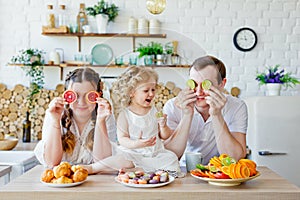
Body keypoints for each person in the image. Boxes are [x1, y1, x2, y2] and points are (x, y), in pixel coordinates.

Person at [83, 66, 180, 174]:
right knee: (121, 159)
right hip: (132, 154)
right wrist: (137, 144)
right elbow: (122, 140)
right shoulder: (125, 114)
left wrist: (163, 126)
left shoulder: (155, 110)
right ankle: (93, 168)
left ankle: (139, 170)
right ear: (131, 92)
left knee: (171, 159)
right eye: (146, 90)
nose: (151, 94)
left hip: (154, 154)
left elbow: (164, 136)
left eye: (153, 89)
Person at [163, 55, 248, 166]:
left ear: (221, 84)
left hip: (220, 173)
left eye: (206, 85)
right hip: (184, 171)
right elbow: (170, 155)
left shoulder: (237, 106)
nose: (198, 92)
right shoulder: (173, 106)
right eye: (194, 84)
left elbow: (235, 158)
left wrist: (217, 115)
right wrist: (187, 115)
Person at [34, 68, 117, 168]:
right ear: (67, 96)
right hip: (62, 180)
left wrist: (100, 120)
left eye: (89, 96)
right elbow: (51, 163)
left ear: (99, 96)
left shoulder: (105, 116)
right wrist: (56, 121)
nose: (81, 103)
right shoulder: (54, 113)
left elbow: (103, 163)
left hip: (96, 179)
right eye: (75, 95)